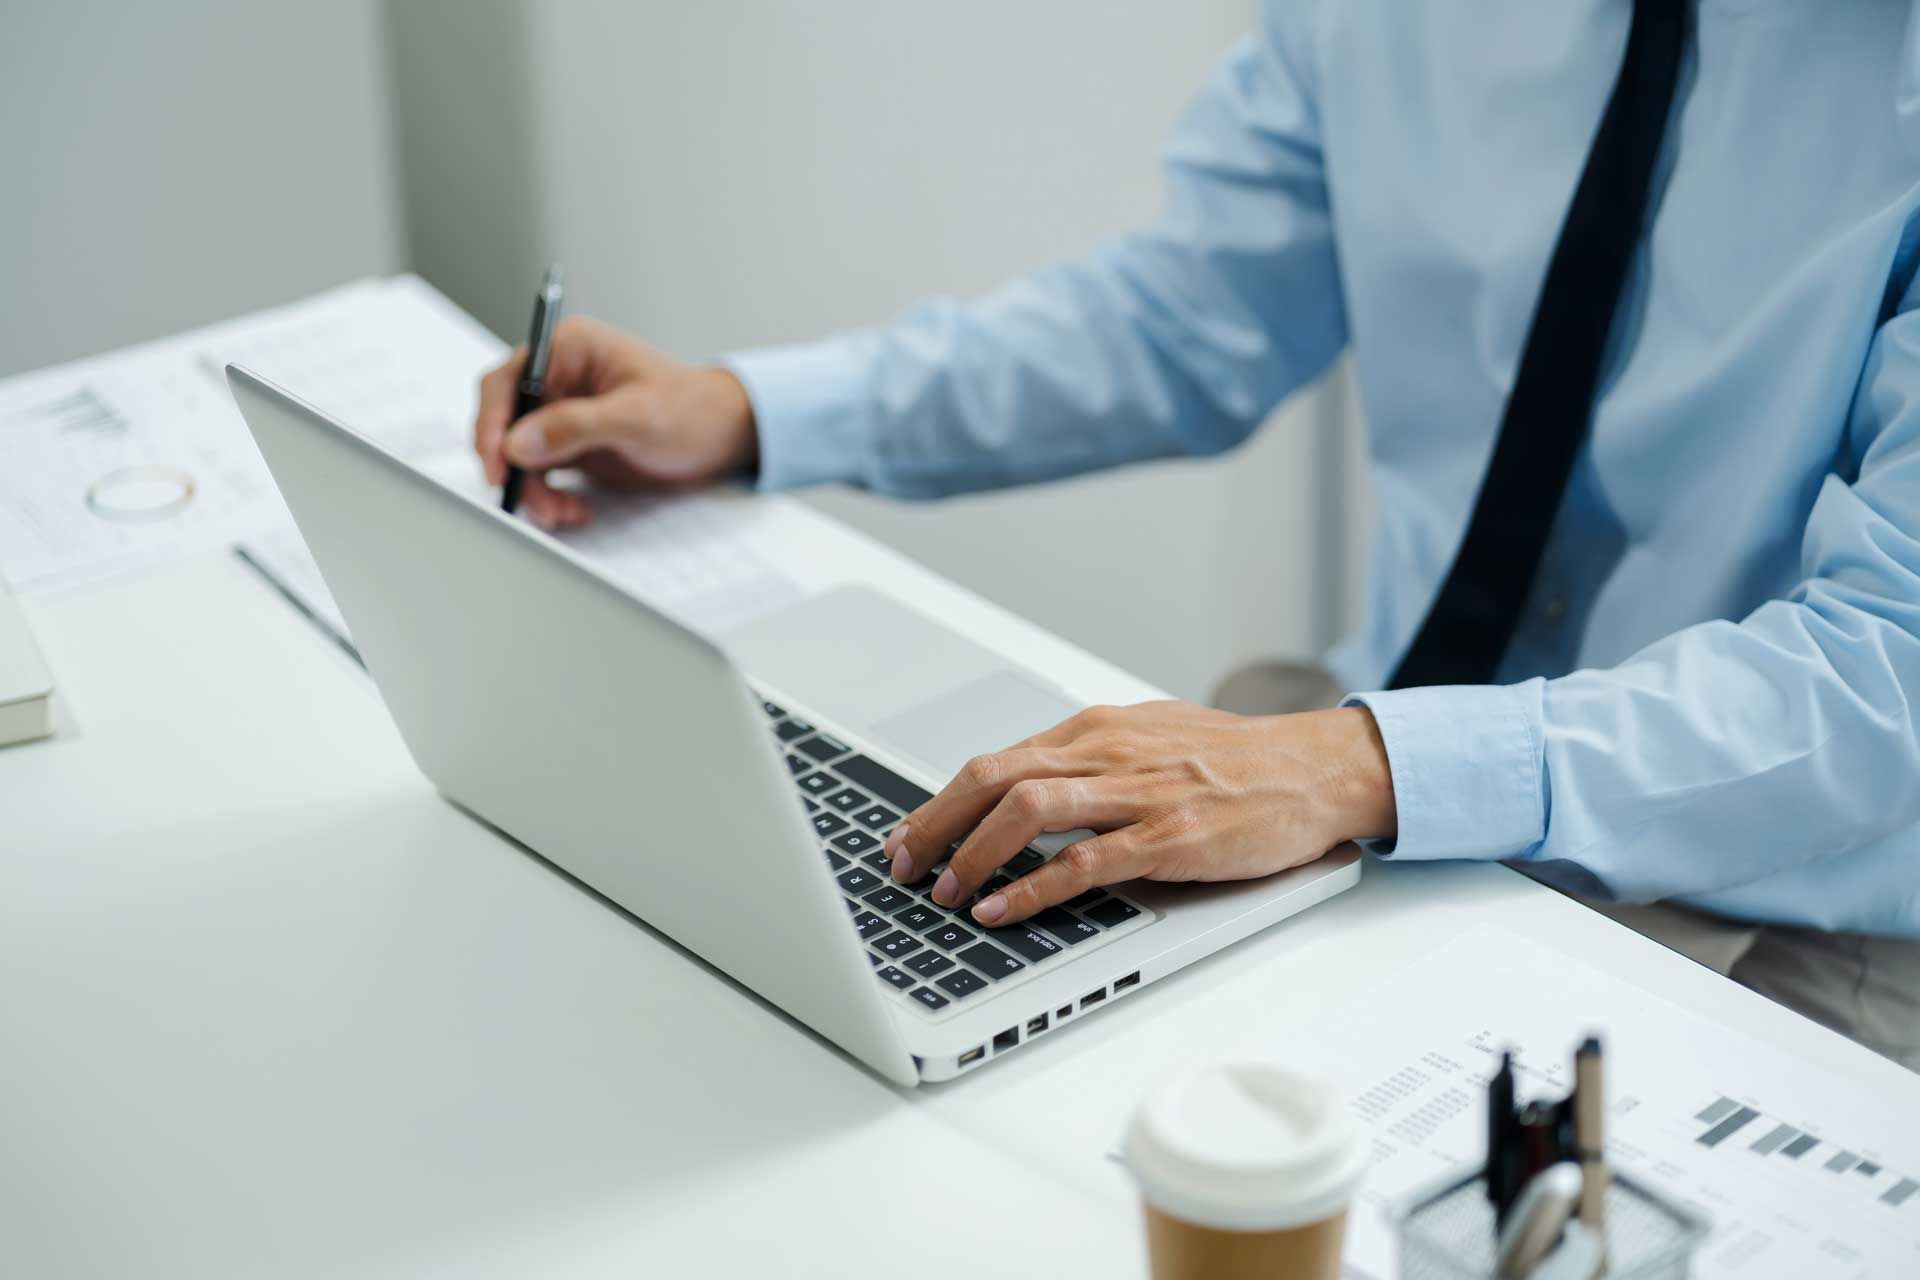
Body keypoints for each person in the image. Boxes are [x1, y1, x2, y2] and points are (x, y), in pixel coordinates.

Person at [473, 0, 1920, 1069]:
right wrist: (749, 413)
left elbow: (1889, 677)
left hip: (1796, 900)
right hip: (1388, 780)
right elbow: (1184, 321)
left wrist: (1353, 762)